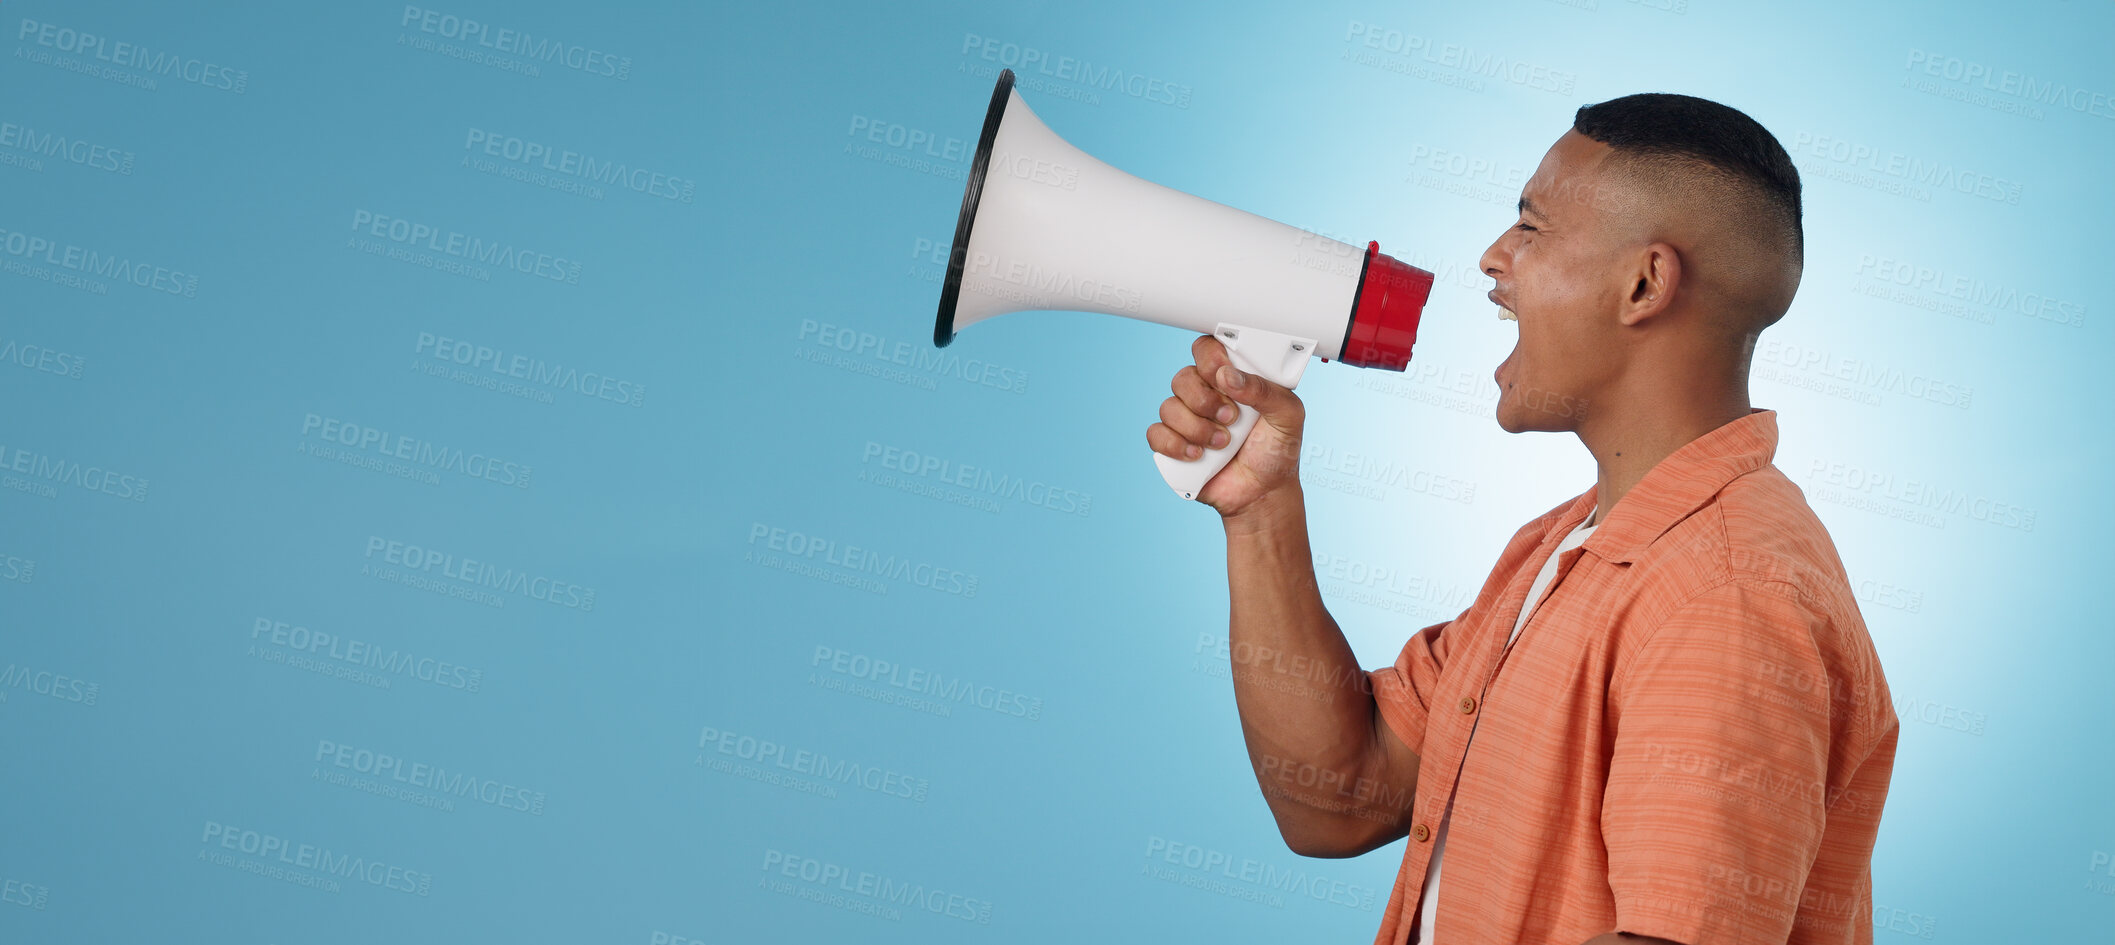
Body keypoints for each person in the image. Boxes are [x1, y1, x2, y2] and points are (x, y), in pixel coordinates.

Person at [1146, 93, 1898, 945]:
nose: (1492, 258)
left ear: (1644, 283)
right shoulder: (1560, 551)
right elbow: (1340, 798)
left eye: (1530, 229)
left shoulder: (1724, 593)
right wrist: (1260, 510)